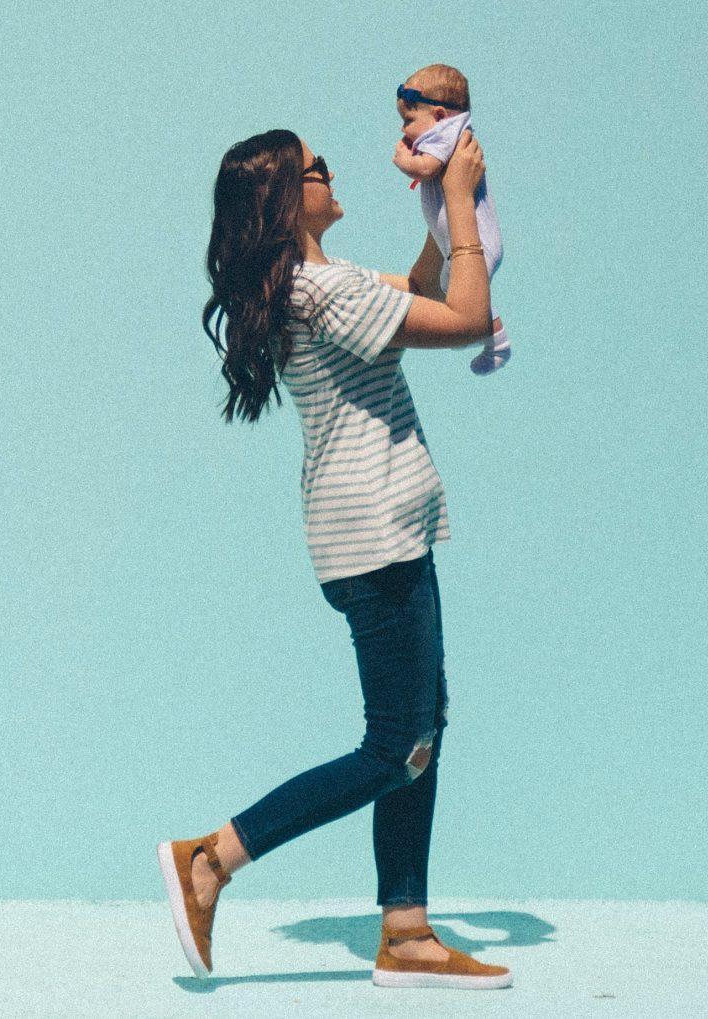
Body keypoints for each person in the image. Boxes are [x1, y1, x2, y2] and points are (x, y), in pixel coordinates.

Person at [159, 126, 512, 991]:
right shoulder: (321, 293)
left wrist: (438, 202)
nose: (331, 173)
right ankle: (213, 856)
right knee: (396, 743)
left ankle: (407, 930)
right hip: (377, 530)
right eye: (317, 168)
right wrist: (464, 204)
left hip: (372, 526)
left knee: (421, 725)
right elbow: (465, 317)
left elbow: (425, 288)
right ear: (288, 198)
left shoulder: (325, 286)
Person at [390, 65, 511, 375]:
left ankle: (495, 338)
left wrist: (404, 160)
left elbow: (427, 168)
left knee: (457, 296)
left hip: (476, 242)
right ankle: (483, 333)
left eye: (408, 120)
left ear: (440, 115)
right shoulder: (443, 132)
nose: (404, 130)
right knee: (449, 293)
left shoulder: (450, 134)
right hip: (457, 244)